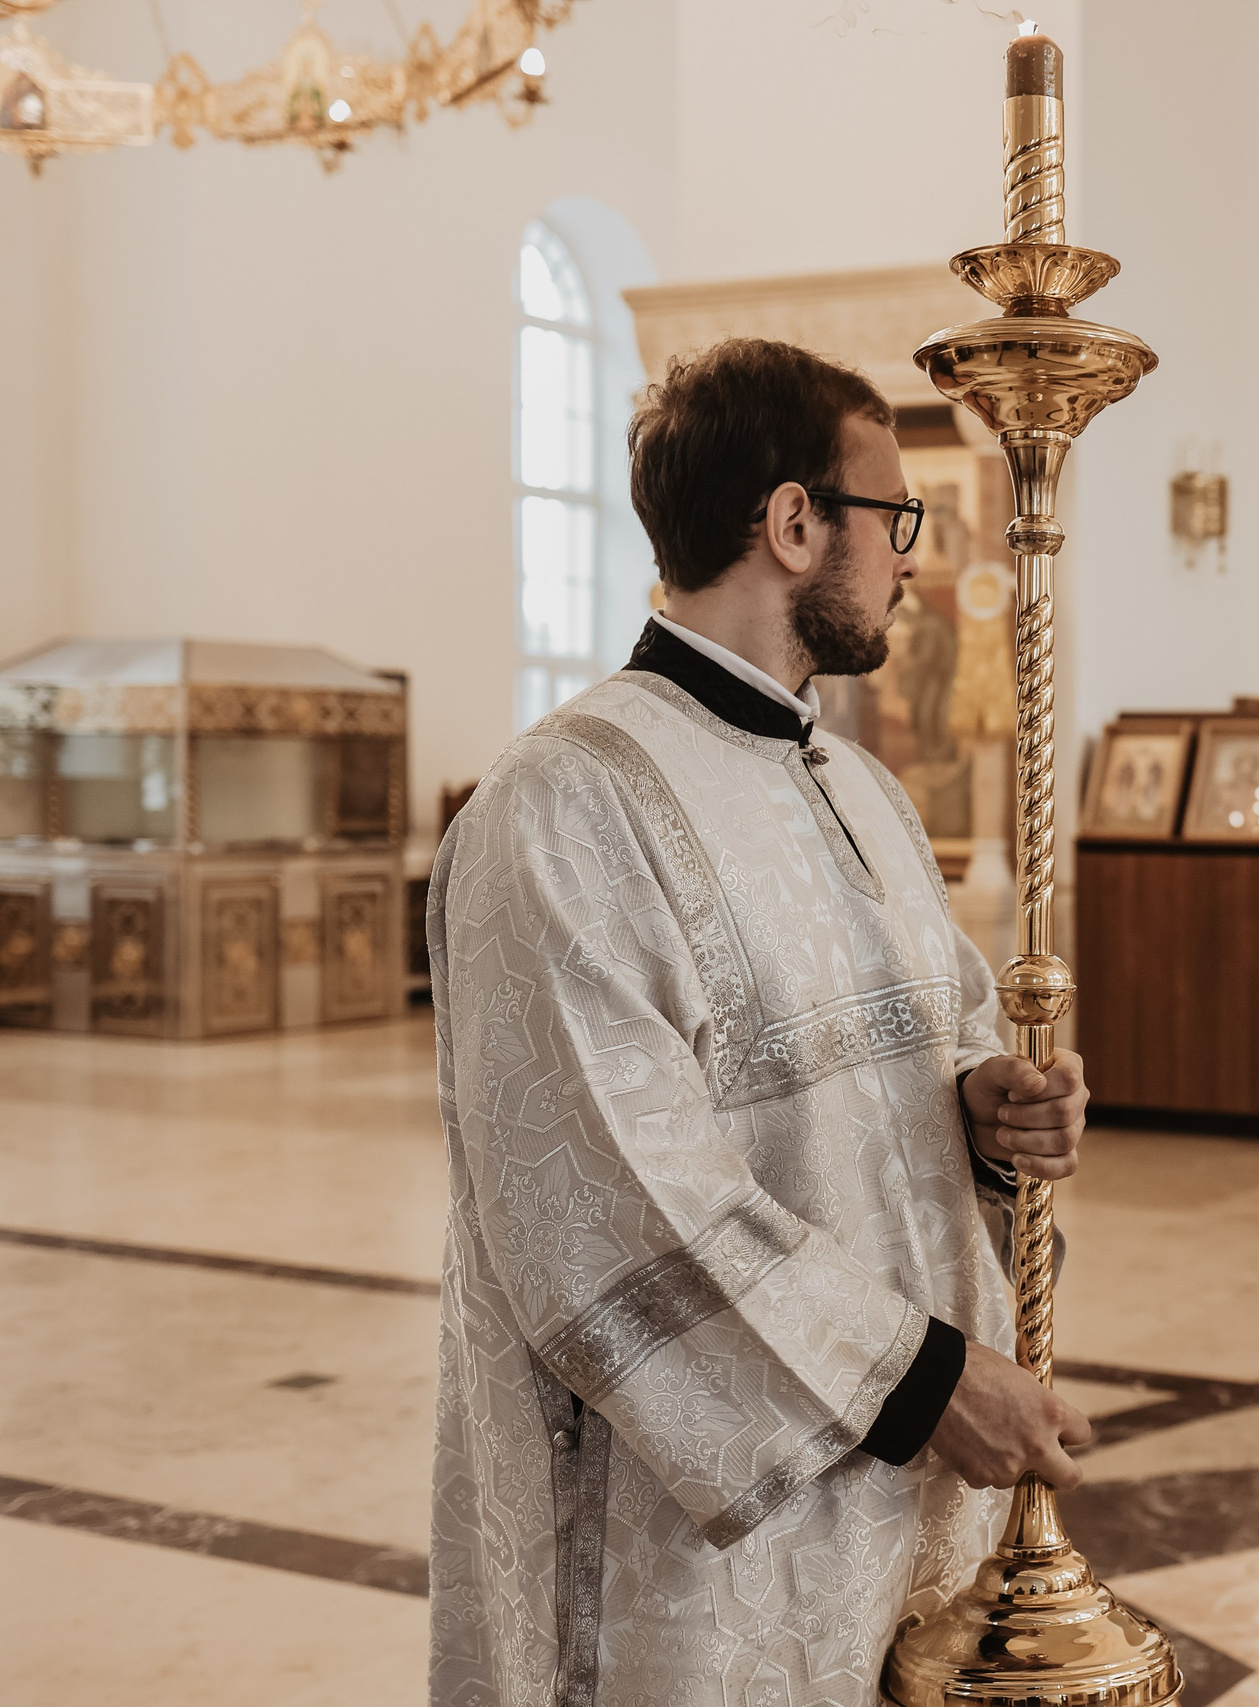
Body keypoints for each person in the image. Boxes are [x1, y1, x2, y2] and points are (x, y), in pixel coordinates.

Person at [427, 338, 1092, 1707]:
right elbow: (616, 1193)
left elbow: (936, 1026)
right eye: (892, 517)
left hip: (895, 1503)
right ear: (794, 523)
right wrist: (921, 1383)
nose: (910, 556)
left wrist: (979, 1098)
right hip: (699, 1538)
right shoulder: (564, 804)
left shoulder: (857, 783)